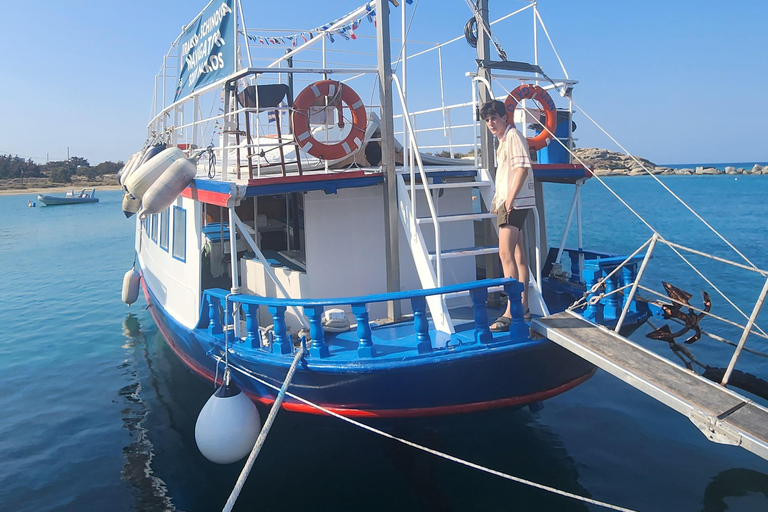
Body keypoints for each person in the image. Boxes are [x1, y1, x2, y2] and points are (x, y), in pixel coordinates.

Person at [479, 99, 535, 332]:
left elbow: (522, 168)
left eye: (494, 118)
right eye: (487, 120)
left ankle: (512, 312)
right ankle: (524, 307)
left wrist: (509, 200)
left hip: (514, 203)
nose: (491, 123)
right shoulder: (504, 139)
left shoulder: (512, 137)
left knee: (505, 254)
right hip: (511, 201)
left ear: (504, 117)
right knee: (519, 256)